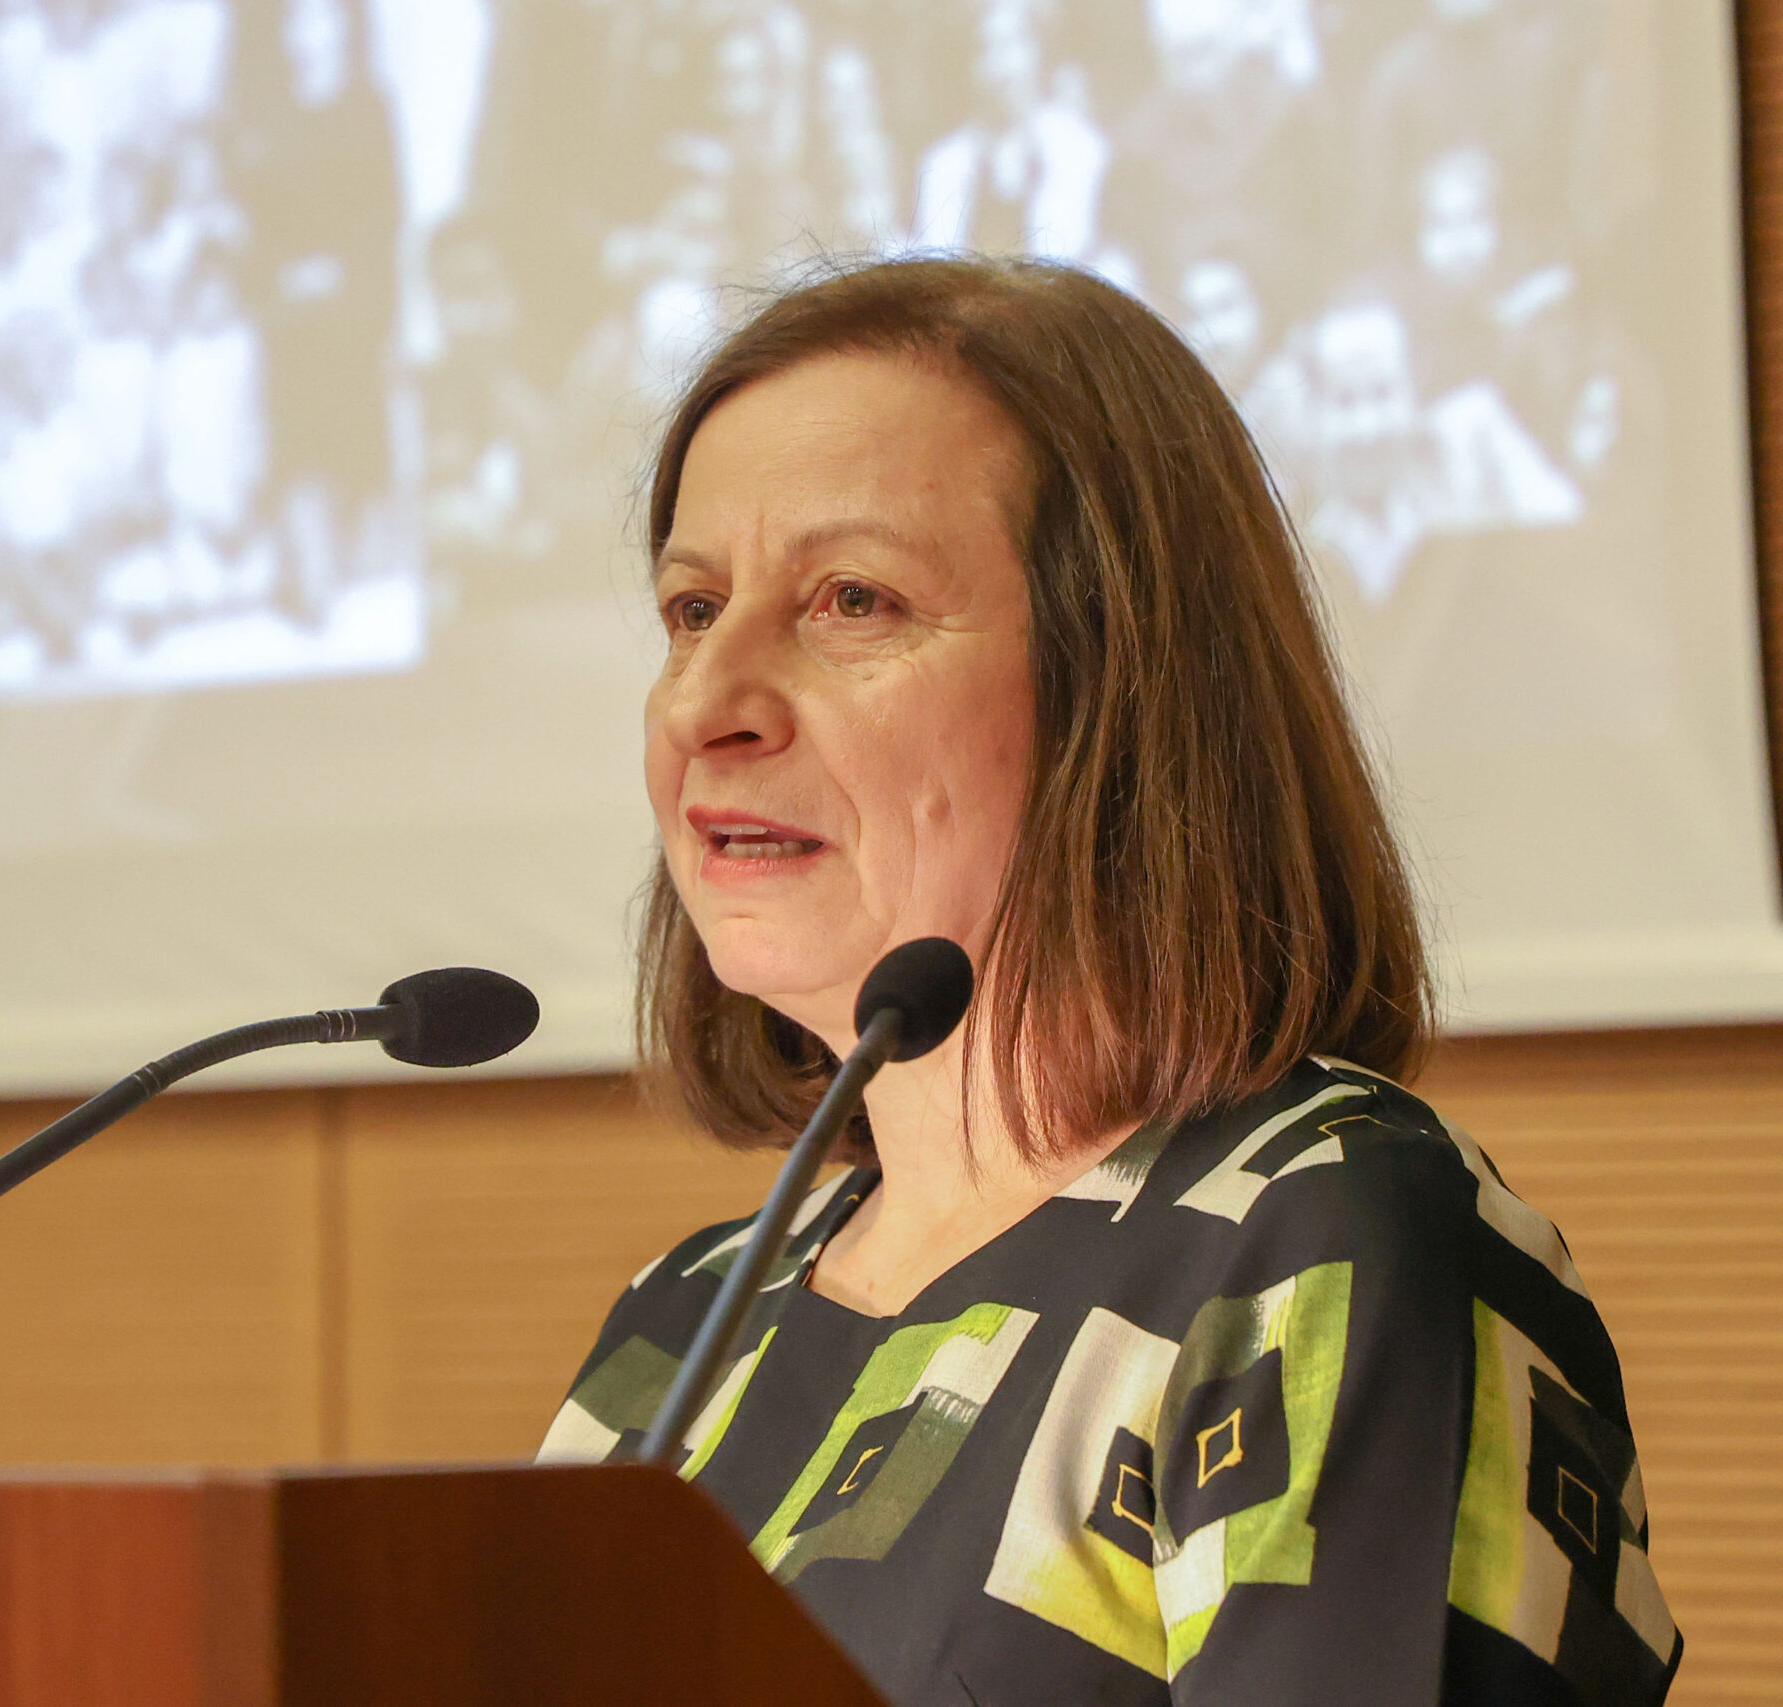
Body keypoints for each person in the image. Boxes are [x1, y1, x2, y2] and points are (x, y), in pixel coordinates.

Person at [538, 257, 1677, 1706]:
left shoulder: (1314, 1246)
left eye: (852, 600)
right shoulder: (684, 1321)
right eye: (694, 610)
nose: (706, 702)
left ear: (1122, 689)